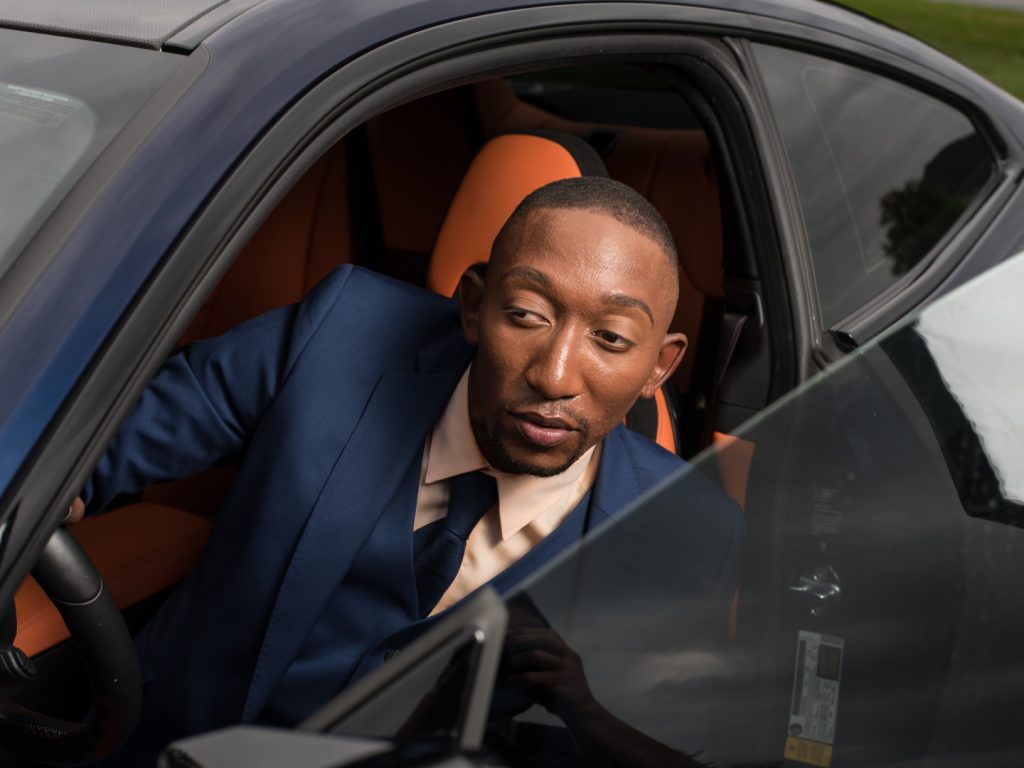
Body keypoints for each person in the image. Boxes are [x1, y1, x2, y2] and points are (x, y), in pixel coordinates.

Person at [73, 176, 741, 765]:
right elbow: (96, 447)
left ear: (660, 365)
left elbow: (670, 751)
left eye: (612, 339)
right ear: (474, 306)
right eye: (527, 316)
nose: (555, 375)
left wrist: (585, 711)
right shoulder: (341, 333)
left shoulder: (689, 534)